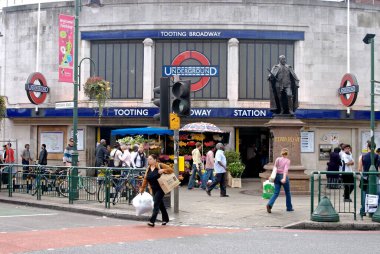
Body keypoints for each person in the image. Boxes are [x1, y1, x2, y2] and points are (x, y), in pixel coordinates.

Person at [139, 154, 173, 227]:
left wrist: (163, 170)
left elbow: (171, 170)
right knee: (161, 205)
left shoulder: (160, 165)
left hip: (161, 188)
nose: (148, 160)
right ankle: (165, 219)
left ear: (155, 160)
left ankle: (152, 221)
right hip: (153, 188)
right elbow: (145, 179)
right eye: (148, 159)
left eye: (150, 159)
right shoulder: (148, 168)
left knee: (156, 203)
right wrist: (142, 188)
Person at [266, 148, 293, 213]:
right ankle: (289, 208)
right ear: (287, 153)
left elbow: (275, 168)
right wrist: (284, 178)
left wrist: (272, 176)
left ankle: (269, 204)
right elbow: (285, 170)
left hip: (276, 176)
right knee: (288, 192)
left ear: (281, 153)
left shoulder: (278, 159)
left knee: (276, 192)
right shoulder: (287, 161)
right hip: (282, 176)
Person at [358, 141, 379, 215]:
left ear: (368, 147)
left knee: (364, 194)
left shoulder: (362, 156)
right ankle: (373, 211)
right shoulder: (377, 156)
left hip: (364, 177)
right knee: (375, 194)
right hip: (374, 177)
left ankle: (363, 210)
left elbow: (359, 169)